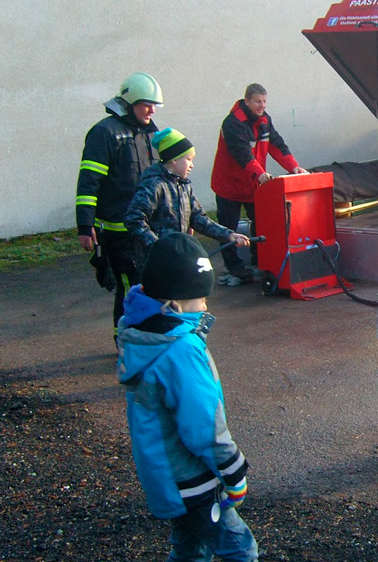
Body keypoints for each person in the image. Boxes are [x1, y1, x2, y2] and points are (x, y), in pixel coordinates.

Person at [117, 233, 258, 560]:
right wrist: (233, 472)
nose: (206, 305)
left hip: (167, 474)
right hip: (195, 481)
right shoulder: (181, 350)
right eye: (201, 299)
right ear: (174, 305)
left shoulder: (142, 336)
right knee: (241, 550)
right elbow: (203, 425)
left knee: (191, 549)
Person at [75, 72, 163, 341]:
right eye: (146, 104)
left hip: (147, 228)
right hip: (118, 230)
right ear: (129, 103)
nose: (151, 110)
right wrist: (85, 225)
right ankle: (125, 340)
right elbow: (89, 181)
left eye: (154, 105)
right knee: (130, 285)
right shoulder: (104, 133)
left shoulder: (151, 132)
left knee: (149, 284)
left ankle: (141, 337)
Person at [211, 83, 308, 286]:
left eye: (264, 101)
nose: (262, 105)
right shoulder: (233, 123)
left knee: (261, 223)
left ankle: (260, 262)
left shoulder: (264, 121)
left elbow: (277, 145)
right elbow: (241, 153)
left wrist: (294, 168)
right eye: (257, 101)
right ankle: (234, 268)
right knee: (227, 228)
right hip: (229, 186)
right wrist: (260, 174)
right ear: (247, 101)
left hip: (253, 185)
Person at [125, 128, 250, 252]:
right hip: (156, 259)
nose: (192, 165)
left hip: (178, 255)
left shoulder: (184, 186)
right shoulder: (153, 185)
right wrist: (157, 246)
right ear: (174, 160)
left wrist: (228, 235)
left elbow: (198, 218)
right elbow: (133, 219)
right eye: (189, 159)